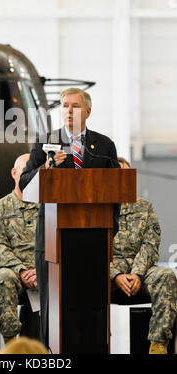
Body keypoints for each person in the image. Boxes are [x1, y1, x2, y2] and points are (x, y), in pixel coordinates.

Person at [19, 87, 120, 347]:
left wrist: (112, 230)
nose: (69, 111)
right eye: (65, 106)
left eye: (75, 106)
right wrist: (46, 167)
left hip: (93, 238)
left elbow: (116, 190)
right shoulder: (46, 142)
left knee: (91, 307)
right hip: (55, 241)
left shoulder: (104, 145)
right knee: (56, 308)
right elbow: (25, 184)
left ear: (87, 111)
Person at [111, 157, 177, 355]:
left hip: (141, 271)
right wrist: (115, 274)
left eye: (126, 175)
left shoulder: (144, 207)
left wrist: (137, 274)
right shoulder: (96, 208)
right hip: (108, 273)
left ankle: (158, 345)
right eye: (117, 174)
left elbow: (150, 245)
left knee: (166, 276)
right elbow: (93, 250)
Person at [0, 154, 39, 344]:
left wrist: (43, 271)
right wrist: (22, 271)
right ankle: (11, 345)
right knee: (4, 277)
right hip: (15, 272)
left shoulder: (51, 206)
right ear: (14, 173)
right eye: (25, 170)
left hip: (47, 270)